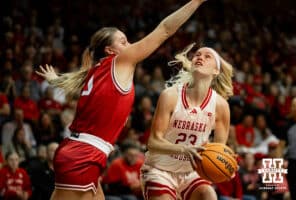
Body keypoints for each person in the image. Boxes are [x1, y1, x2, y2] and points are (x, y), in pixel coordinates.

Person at [36, 1, 208, 199]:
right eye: (123, 42)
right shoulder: (121, 60)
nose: (129, 46)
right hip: (83, 155)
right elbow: (165, 29)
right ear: (111, 51)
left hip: (82, 153)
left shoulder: (96, 70)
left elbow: (81, 87)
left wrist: (55, 79)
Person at [140, 43, 233, 200]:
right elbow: (153, 143)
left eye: (207, 56)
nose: (199, 57)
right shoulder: (170, 96)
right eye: (197, 55)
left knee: (209, 195)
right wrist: (184, 150)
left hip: (192, 173)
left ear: (216, 71)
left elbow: (219, 149)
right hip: (160, 169)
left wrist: (225, 166)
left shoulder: (221, 106)